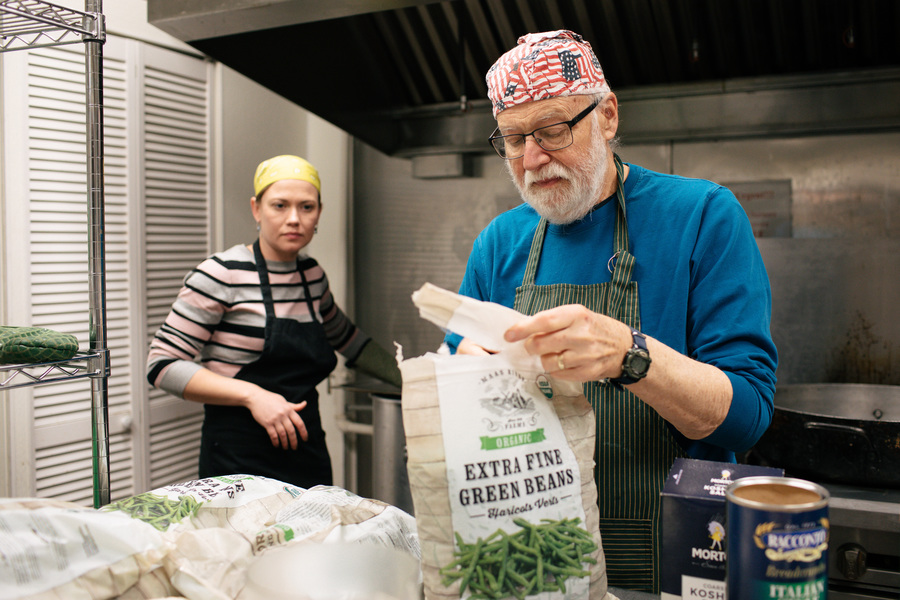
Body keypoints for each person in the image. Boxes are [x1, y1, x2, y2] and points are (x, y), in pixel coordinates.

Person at [449, 31, 777, 593]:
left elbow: (747, 415)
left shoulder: (702, 216)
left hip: (670, 565)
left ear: (607, 115)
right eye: (512, 138)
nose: (532, 158)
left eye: (552, 129)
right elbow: (459, 417)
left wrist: (632, 356)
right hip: (533, 565)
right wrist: (465, 381)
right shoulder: (498, 245)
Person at [147, 154, 400, 489]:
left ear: (318, 213)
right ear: (256, 209)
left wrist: (416, 381)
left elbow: (349, 340)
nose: (293, 219)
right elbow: (162, 366)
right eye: (279, 205)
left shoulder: (312, 276)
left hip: (306, 453)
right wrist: (253, 396)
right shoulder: (221, 273)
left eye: (306, 207)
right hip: (239, 458)